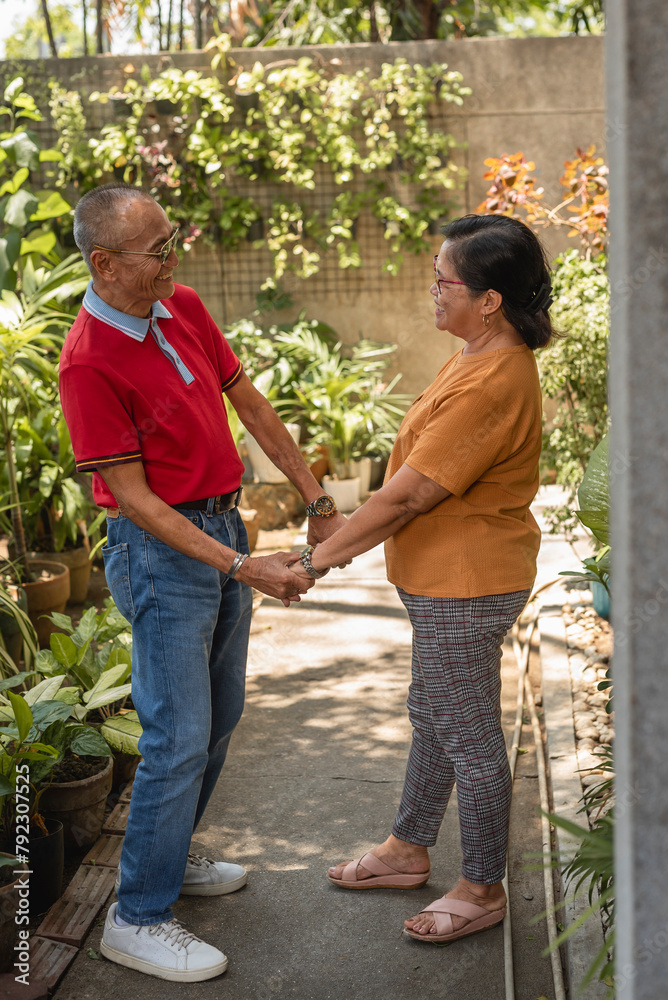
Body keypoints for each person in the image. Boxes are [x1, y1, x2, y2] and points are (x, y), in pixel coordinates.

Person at [59, 183, 346, 982]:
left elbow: (248, 404)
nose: (173, 259)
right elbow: (139, 501)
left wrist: (316, 498)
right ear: (105, 263)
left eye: (171, 241)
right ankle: (137, 916)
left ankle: (170, 854)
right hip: (160, 552)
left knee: (220, 718)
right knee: (176, 736)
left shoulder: (178, 305)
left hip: (218, 527)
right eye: (158, 249)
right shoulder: (88, 361)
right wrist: (243, 566)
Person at [290, 213, 553, 945]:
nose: (431, 291)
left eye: (444, 281)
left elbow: (407, 494)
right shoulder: (475, 353)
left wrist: (317, 559)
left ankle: (482, 887)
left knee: (468, 739)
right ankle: (408, 847)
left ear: (491, 298)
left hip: (465, 586)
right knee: (434, 712)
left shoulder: (492, 378)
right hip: (446, 581)